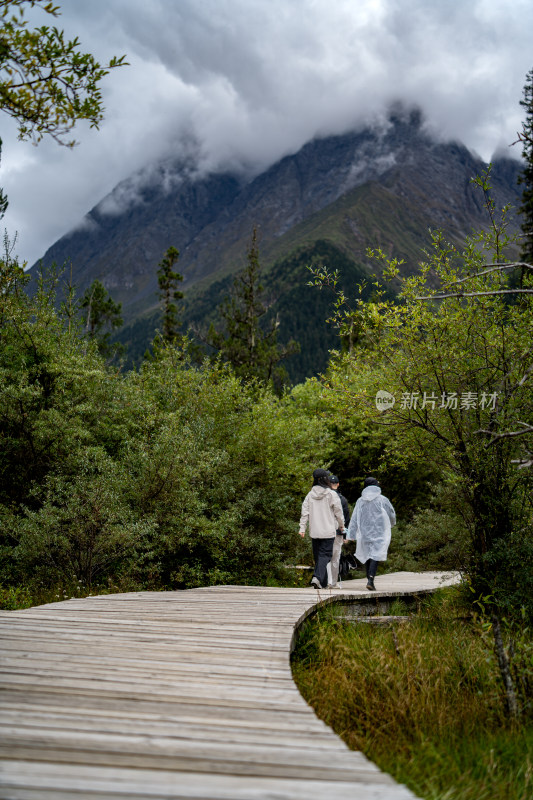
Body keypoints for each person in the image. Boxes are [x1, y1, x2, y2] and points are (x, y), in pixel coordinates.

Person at [346, 476, 396, 591]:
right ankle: (371, 580)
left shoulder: (360, 501)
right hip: (380, 532)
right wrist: (391, 524)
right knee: (375, 555)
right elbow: (391, 513)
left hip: (364, 533)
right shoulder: (382, 499)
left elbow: (354, 518)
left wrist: (351, 534)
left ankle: (369, 578)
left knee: (368, 554)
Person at [299, 468, 345, 589]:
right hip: (328, 531)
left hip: (315, 531)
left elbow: (305, 512)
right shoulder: (331, 494)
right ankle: (317, 578)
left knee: (319, 557)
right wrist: (342, 525)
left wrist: (302, 528)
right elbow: (339, 512)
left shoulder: (310, 495)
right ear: (325, 479)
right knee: (325, 556)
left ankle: (321, 584)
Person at [327, 474, 350, 588]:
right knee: (335, 558)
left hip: (325, 531)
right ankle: (333, 583)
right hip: (337, 532)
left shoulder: (324, 497)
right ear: (338, 484)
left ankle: (325, 580)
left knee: (325, 556)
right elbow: (346, 518)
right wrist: (346, 535)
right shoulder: (343, 499)